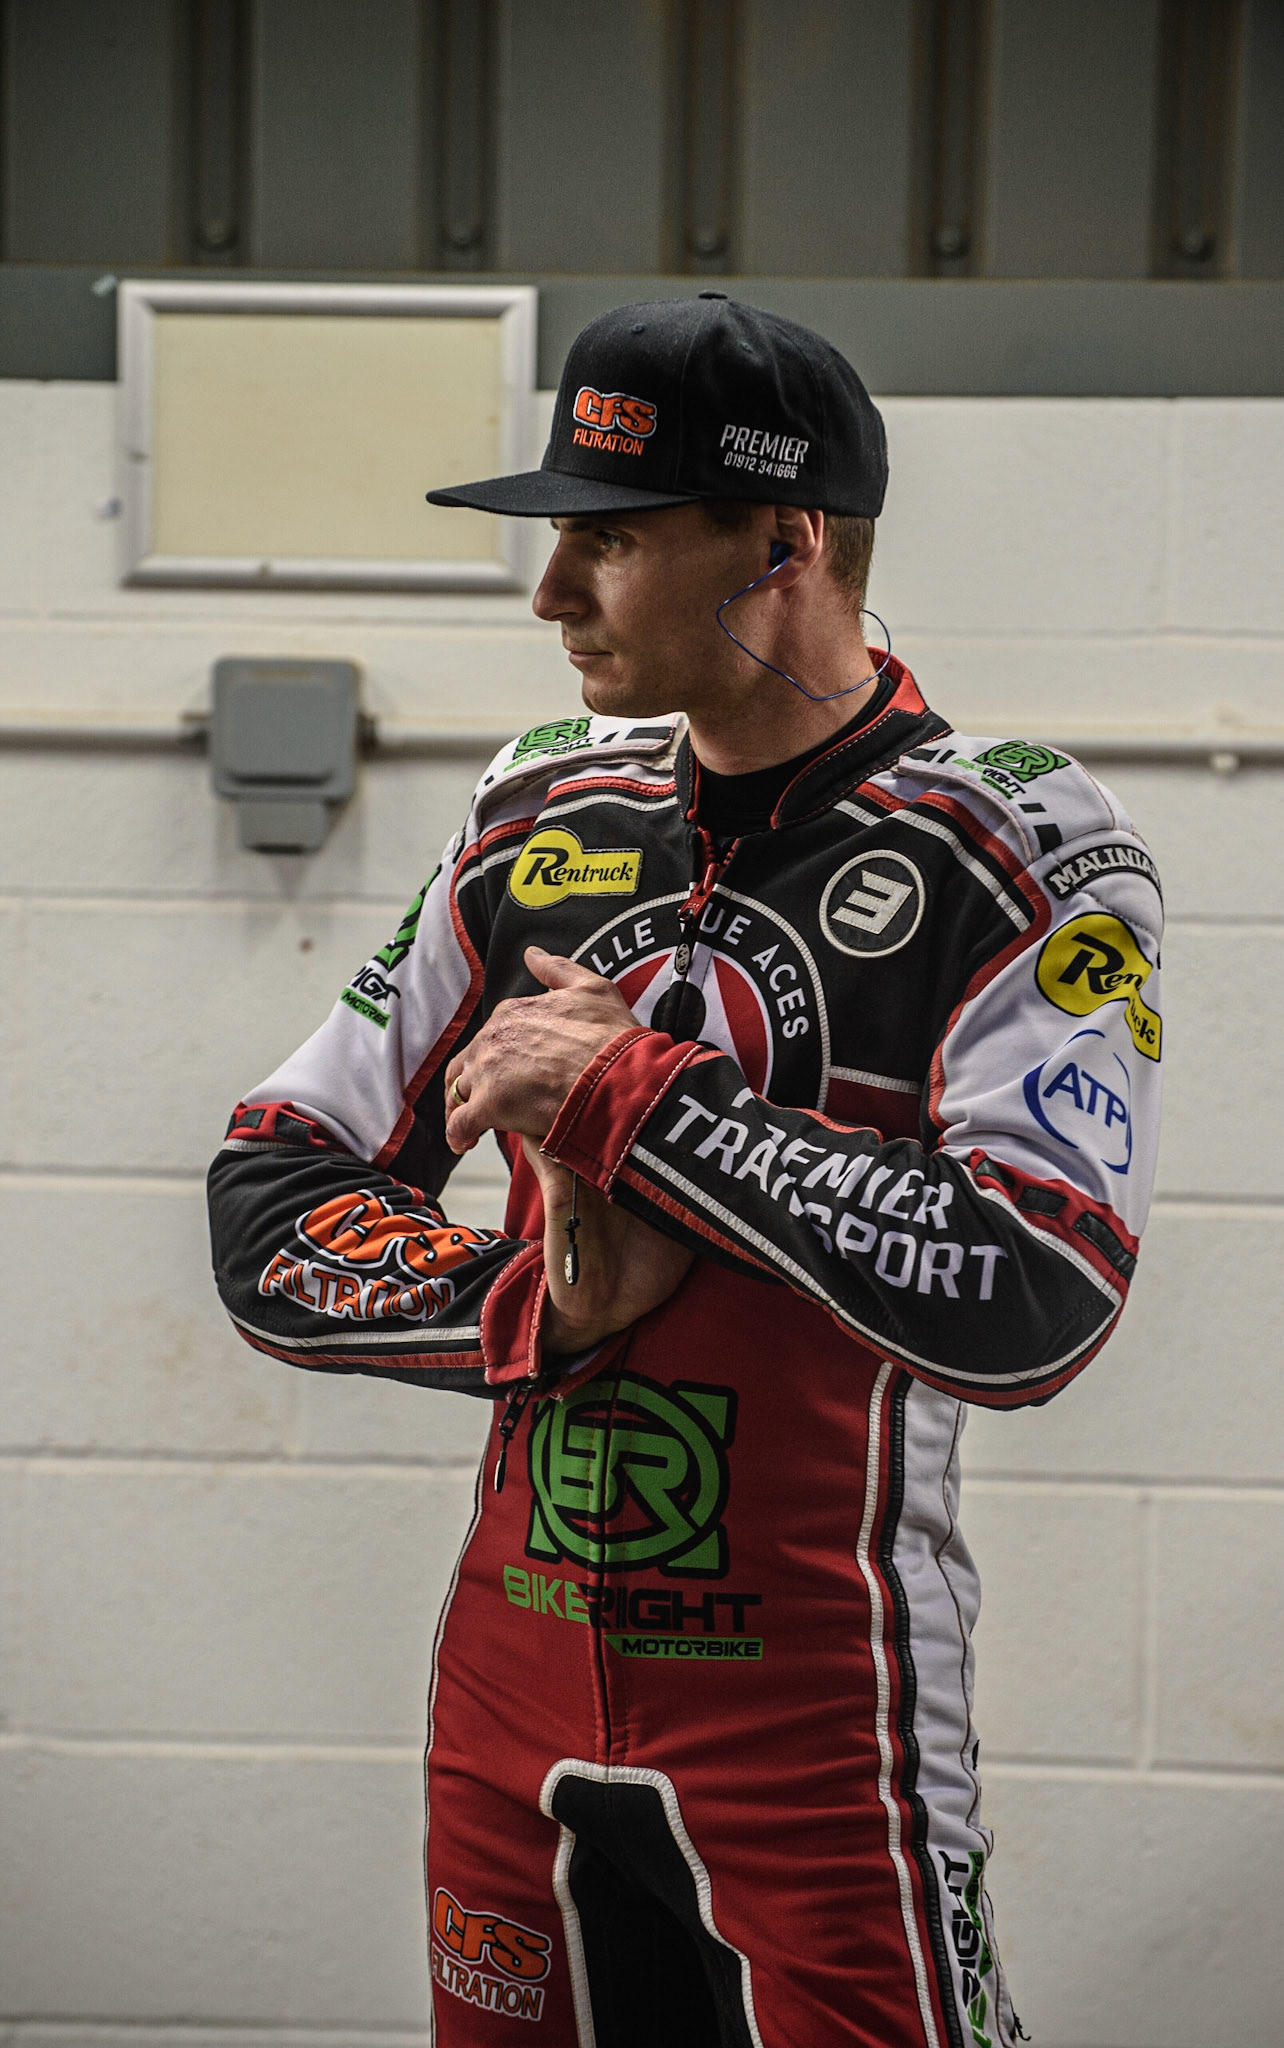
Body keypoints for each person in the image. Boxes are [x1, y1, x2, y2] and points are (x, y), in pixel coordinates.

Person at [209, 292, 1163, 2047]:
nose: (551, 593)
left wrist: (640, 1102)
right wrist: (534, 1314)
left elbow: (1040, 1292)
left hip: (825, 1723)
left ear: (783, 543)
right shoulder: (533, 816)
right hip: (507, 1687)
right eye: (557, 539)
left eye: (609, 540)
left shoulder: (1019, 844)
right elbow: (270, 1189)